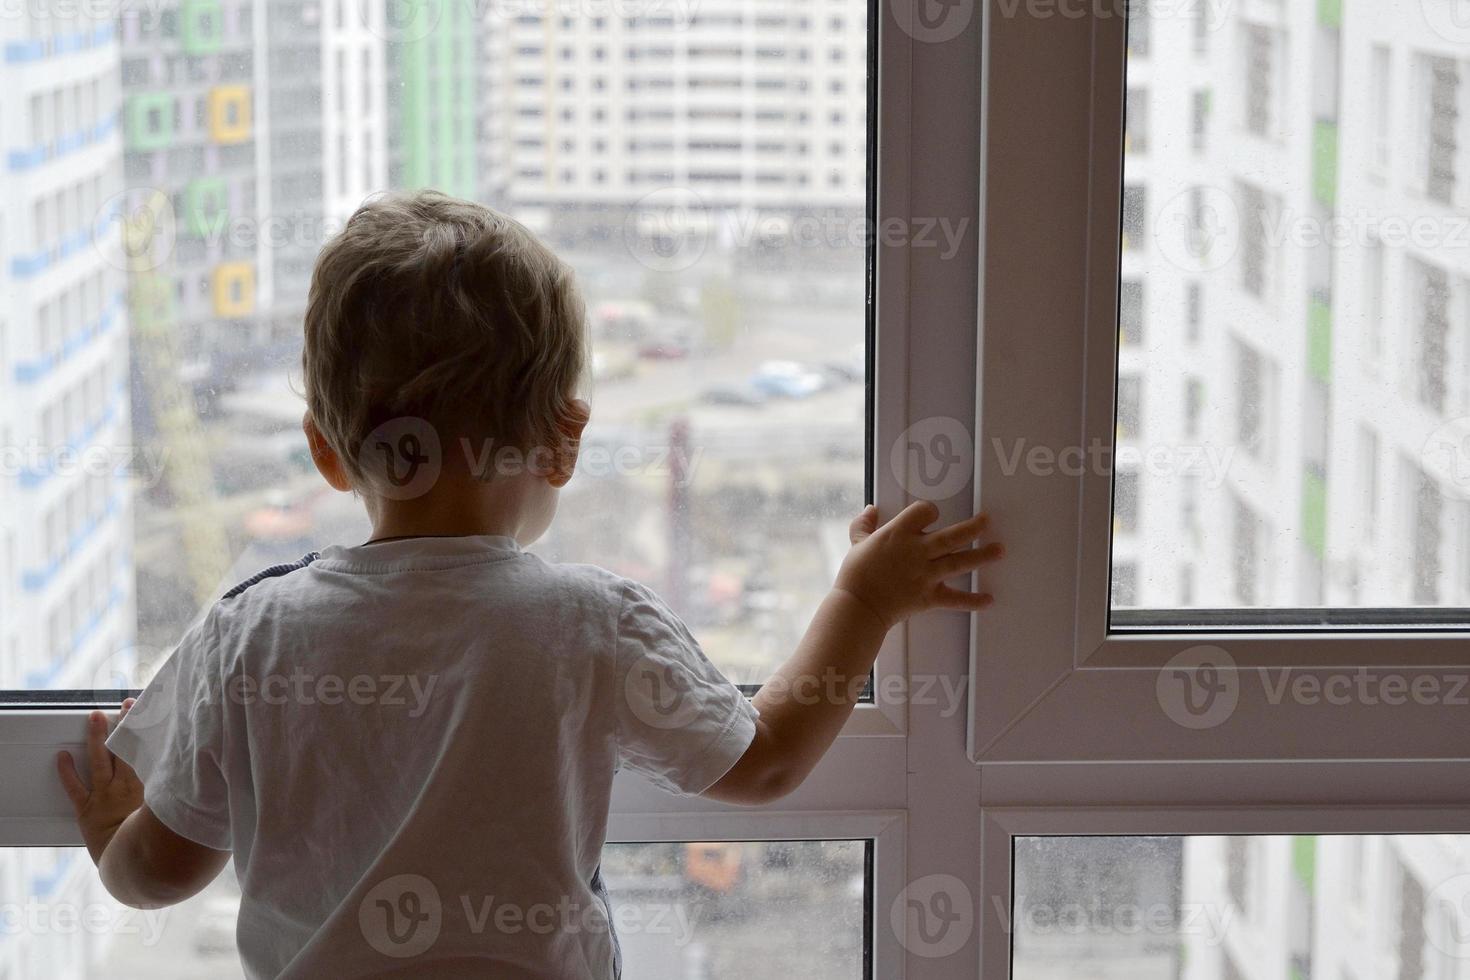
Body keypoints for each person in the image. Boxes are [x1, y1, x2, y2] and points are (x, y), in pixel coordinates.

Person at [56, 191, 1004, 978]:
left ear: (326, 453)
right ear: (563, 439)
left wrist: (107, 829)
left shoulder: (249, 633)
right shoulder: (588, 623)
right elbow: (765, 762)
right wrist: (864, 602)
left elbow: (161, 872)